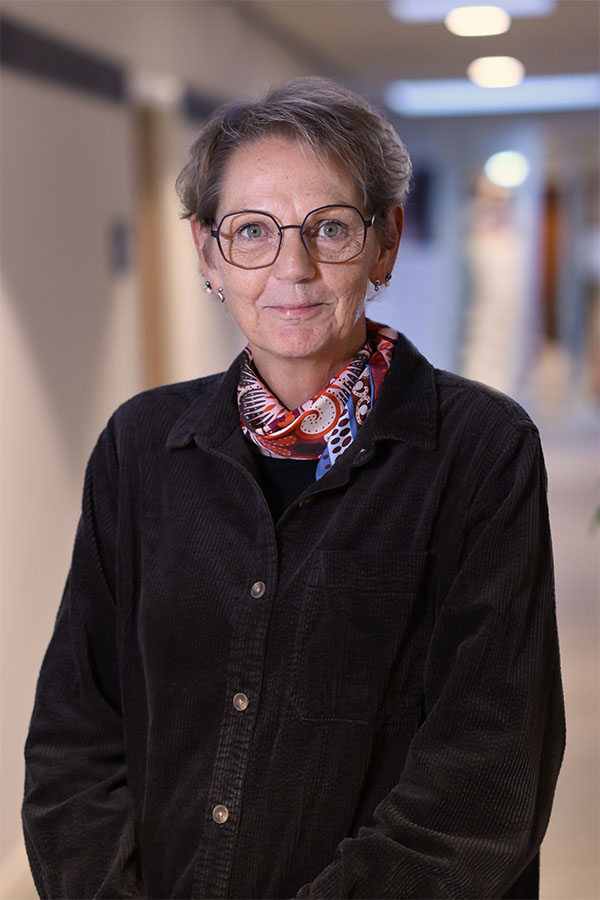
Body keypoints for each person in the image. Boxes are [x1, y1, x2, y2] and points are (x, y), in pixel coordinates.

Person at [23, 77, 564, 900]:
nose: (294, 268)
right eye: (252, 231)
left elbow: (484, 784)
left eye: (331, 228)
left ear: (385, 243)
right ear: (208, 252)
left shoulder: (483, 451)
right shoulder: (139, 450)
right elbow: (74, 739)